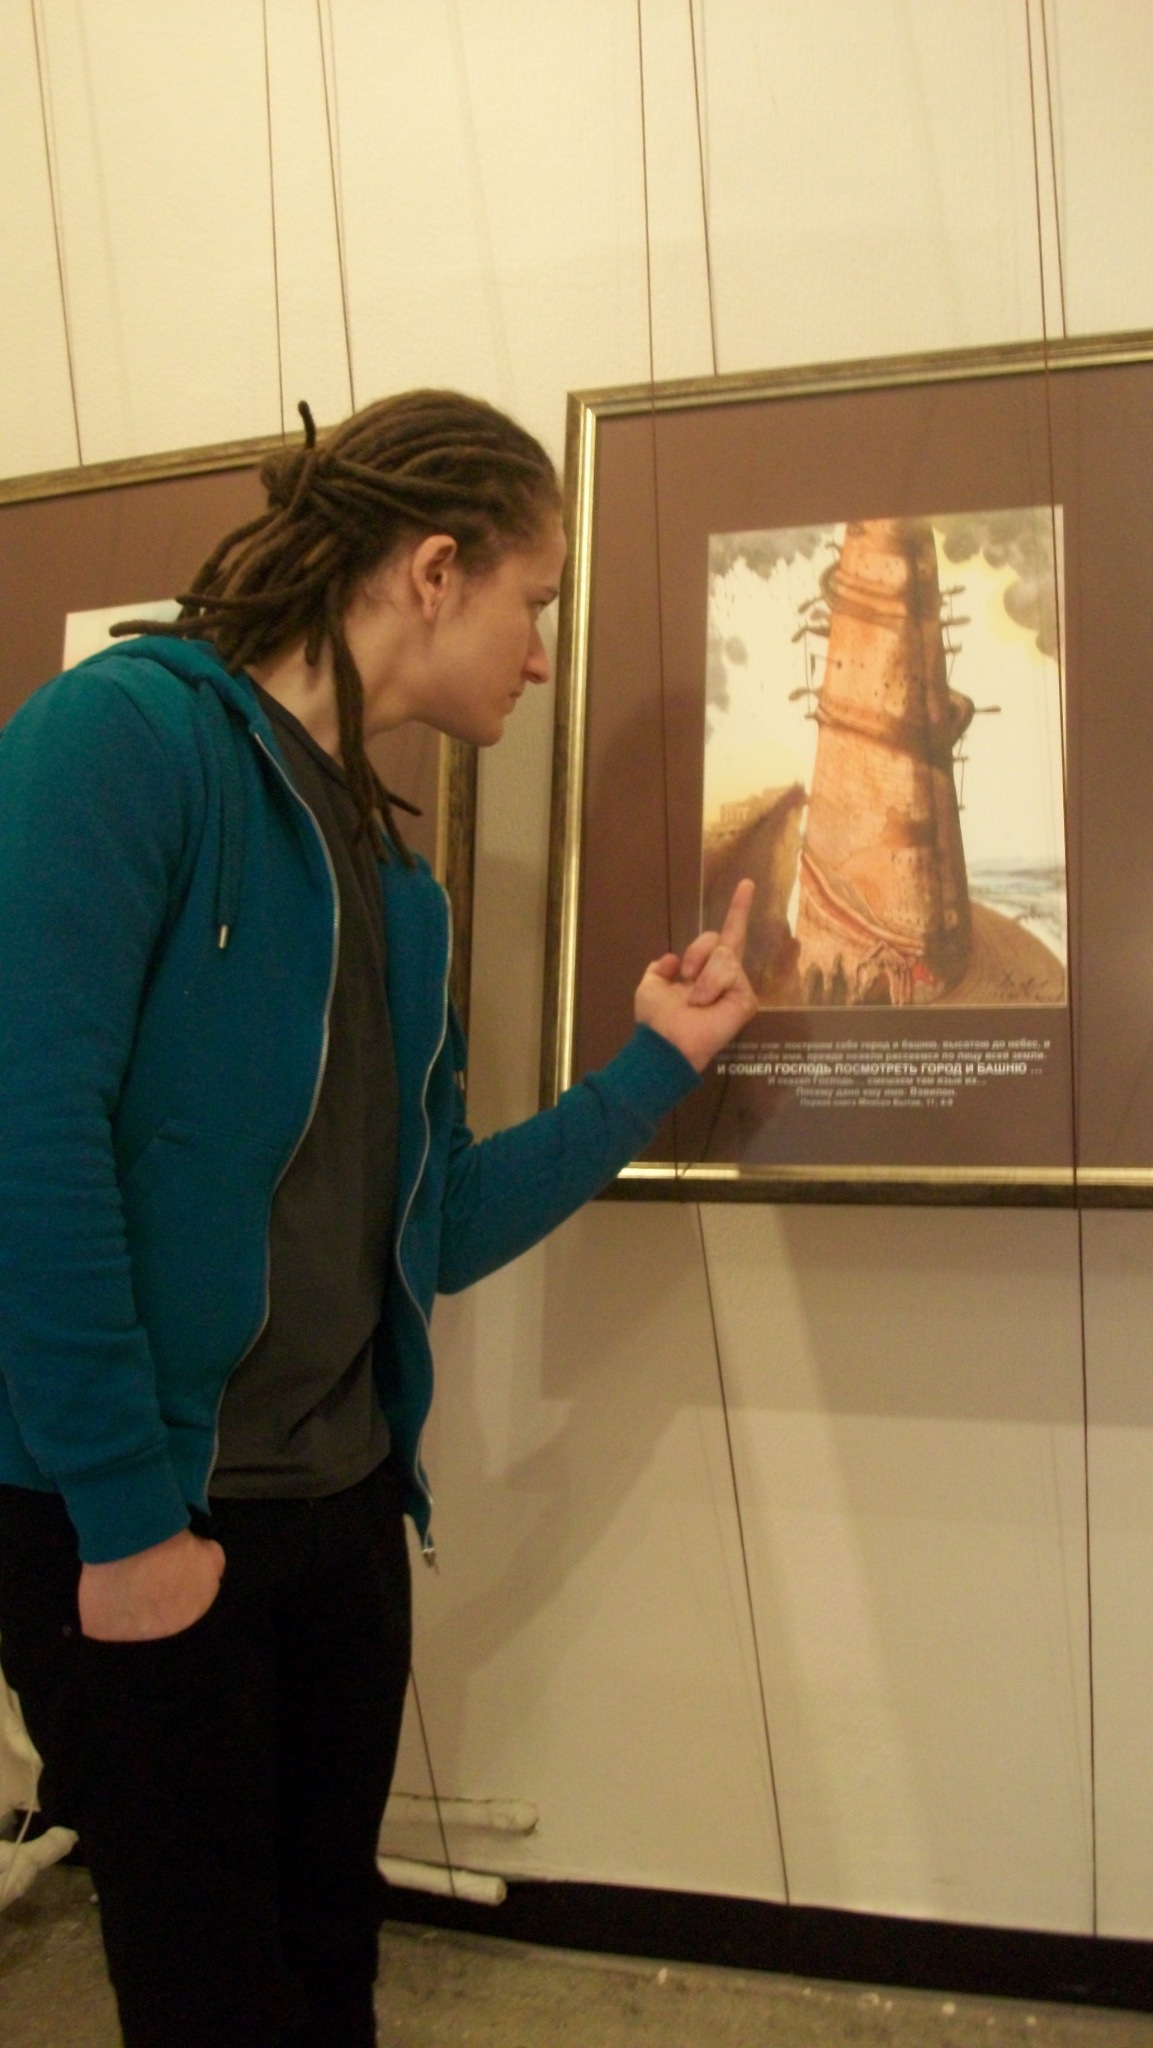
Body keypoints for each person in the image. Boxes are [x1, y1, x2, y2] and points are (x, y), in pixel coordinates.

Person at [0, 391, 756, 2048]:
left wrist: (651, 1068)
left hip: (339, 1518)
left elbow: (432, 1221)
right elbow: (25, 1145)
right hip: (135, 1517)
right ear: (432, 570)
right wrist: (125, 1525)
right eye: (531, 603)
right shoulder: (118, 740)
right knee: (210, 1999)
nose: (539, 656)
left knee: (325, 1970)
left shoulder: (392, 880)